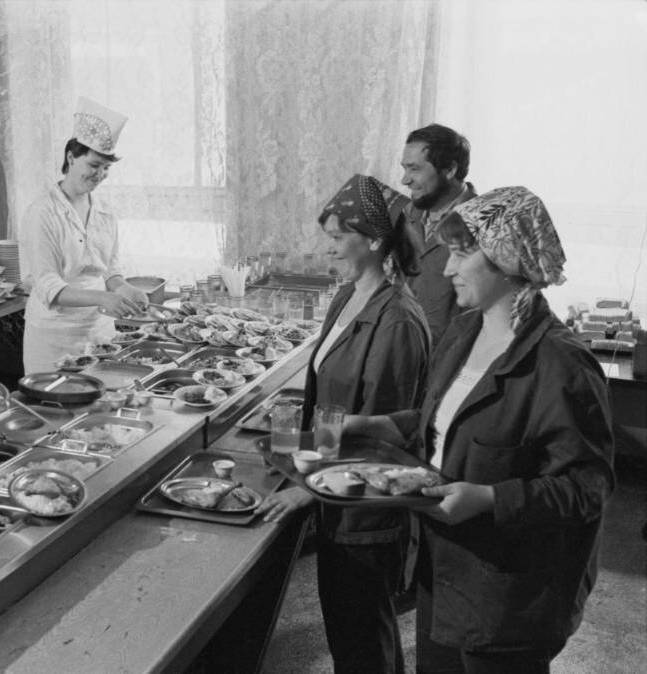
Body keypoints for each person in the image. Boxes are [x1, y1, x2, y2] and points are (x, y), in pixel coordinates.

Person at [346, 186, 615, 673]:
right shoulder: (464, 332)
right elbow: (446, 424)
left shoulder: (561, 363)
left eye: (461, 254)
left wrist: (489, 499)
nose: (447, 269)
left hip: (509, 594)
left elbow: (587, 487)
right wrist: (378, 425)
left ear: (507, 259)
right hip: (443, 570)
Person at [257, 174, 430, 674]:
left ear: (373, 240)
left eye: (337, 237)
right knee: (357, 630)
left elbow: (384, 441)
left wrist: (308, 491)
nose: (328, 247)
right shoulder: (348, 296)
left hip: (364, 511)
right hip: (335, 492)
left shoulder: (397, 321)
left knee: (360, 635)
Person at [19, 97, 149, 373]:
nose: (100, 174)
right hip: (54, 336)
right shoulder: (42, 212)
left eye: (106, 168)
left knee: (103, 395)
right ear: (71, 158)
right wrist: (103, 299)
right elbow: (48, 286)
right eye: (94, 165)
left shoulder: (104, 212)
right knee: (55, 397)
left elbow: (110, 270)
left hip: (99, 331)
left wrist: (126, 290)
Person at [401, 123, 477, 345]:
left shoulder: (483, 224)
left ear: (450, 170)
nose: (405, 180)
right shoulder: (405, 214)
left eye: (414, 169)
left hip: (451, 357)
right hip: (405, 351)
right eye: (404, 168)